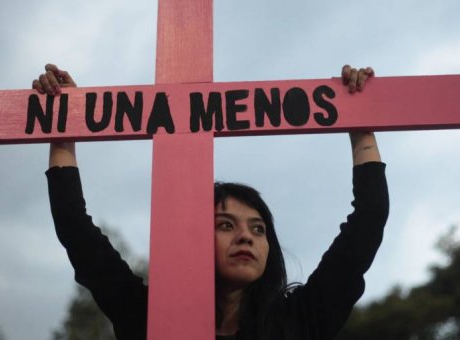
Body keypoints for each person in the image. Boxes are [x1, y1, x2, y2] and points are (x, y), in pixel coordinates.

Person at [35, 64, 389, 340]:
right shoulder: (148, 316)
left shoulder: (300, 320)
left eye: (258, 228)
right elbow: (76, 228)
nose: (246, 237)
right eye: (225, 225)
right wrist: (64, 123)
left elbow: (368, 220)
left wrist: (359, 120)